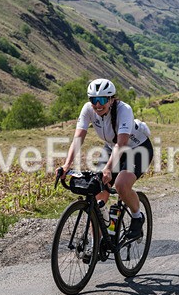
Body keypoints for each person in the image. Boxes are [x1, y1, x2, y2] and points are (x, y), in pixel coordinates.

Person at [59, 78, 153, 239]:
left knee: (121, 184)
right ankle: (99, 240)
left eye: (102, 99)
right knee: (98, 188)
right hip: (111, 148)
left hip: (137, 149)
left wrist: (108, 169)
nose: (97, 105)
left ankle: (137, 217)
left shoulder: (124, 110)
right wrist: (67, 165)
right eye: (93, 100)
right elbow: (78, 139)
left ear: (111, 99)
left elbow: (122, 144)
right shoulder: (88, 110)